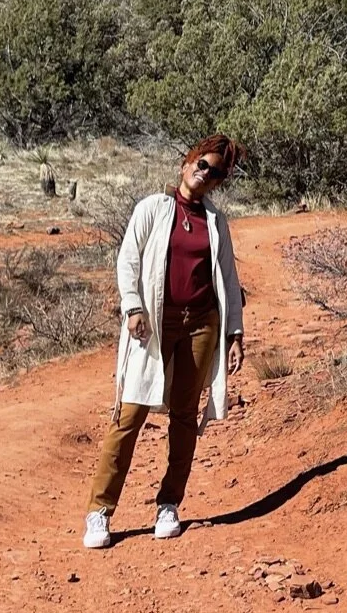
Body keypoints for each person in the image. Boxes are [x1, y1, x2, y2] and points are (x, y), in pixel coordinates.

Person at [83, 135, 247, 549]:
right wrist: (133, 306)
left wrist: (235, 333)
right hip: (152, 324)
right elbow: (129, 260)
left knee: (184, 418)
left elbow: (227, 278)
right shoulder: (153, 208)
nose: (205, 173)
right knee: (129, 414)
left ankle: (169, 504)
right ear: (186, 163)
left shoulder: (215, 222)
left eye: (216, 172)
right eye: (202, 164)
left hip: (201, 325)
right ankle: (99, 511)